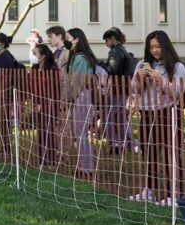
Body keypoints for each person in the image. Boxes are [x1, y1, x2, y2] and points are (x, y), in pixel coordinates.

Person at [127, 30, 185, 205]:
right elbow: (134, 91)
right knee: (149, 153)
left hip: (167, 112)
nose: (154, 50)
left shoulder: (177, 67)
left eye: (158, 46)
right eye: (151, 47)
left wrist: (159, 80)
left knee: (171, 154)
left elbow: (177, 93)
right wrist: (139, 82)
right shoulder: (142, 64)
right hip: (146, 113)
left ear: (165, 46)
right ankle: (149, 191)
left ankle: (173, 194)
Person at [64, 28, 98, 178]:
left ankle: (86, 168)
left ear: (76, 39)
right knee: (79, 133)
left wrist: (68, 98)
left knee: (81, 133)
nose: (66, 40)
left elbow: (77, 83)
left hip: (80, 97)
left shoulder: (80, 59)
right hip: (79, 96)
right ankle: (82, 166)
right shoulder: (76, 57)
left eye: (68, 37)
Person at [101, 27, 134, 153]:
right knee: (120, 116)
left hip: (116, 88)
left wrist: (101, 64)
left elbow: (112, 70)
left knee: (108, 116)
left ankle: (115, 143)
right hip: (124, 87)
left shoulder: (115, 51)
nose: (106, 44)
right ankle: (127, 142)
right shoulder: (124, 50)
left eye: (106, 40)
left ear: (112, 39)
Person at [31, 43, 61, 168]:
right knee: (41, 131)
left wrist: (46, 102)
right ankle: (42, 159)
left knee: (50, 131)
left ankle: (52, 160)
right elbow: (30, 86)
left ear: (43, 56)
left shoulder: (53, 69)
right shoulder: (34, 68)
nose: (33, 55)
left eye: (35, 53)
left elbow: (55, 89)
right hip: (37, 103)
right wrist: (35, 101)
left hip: (49, 103)